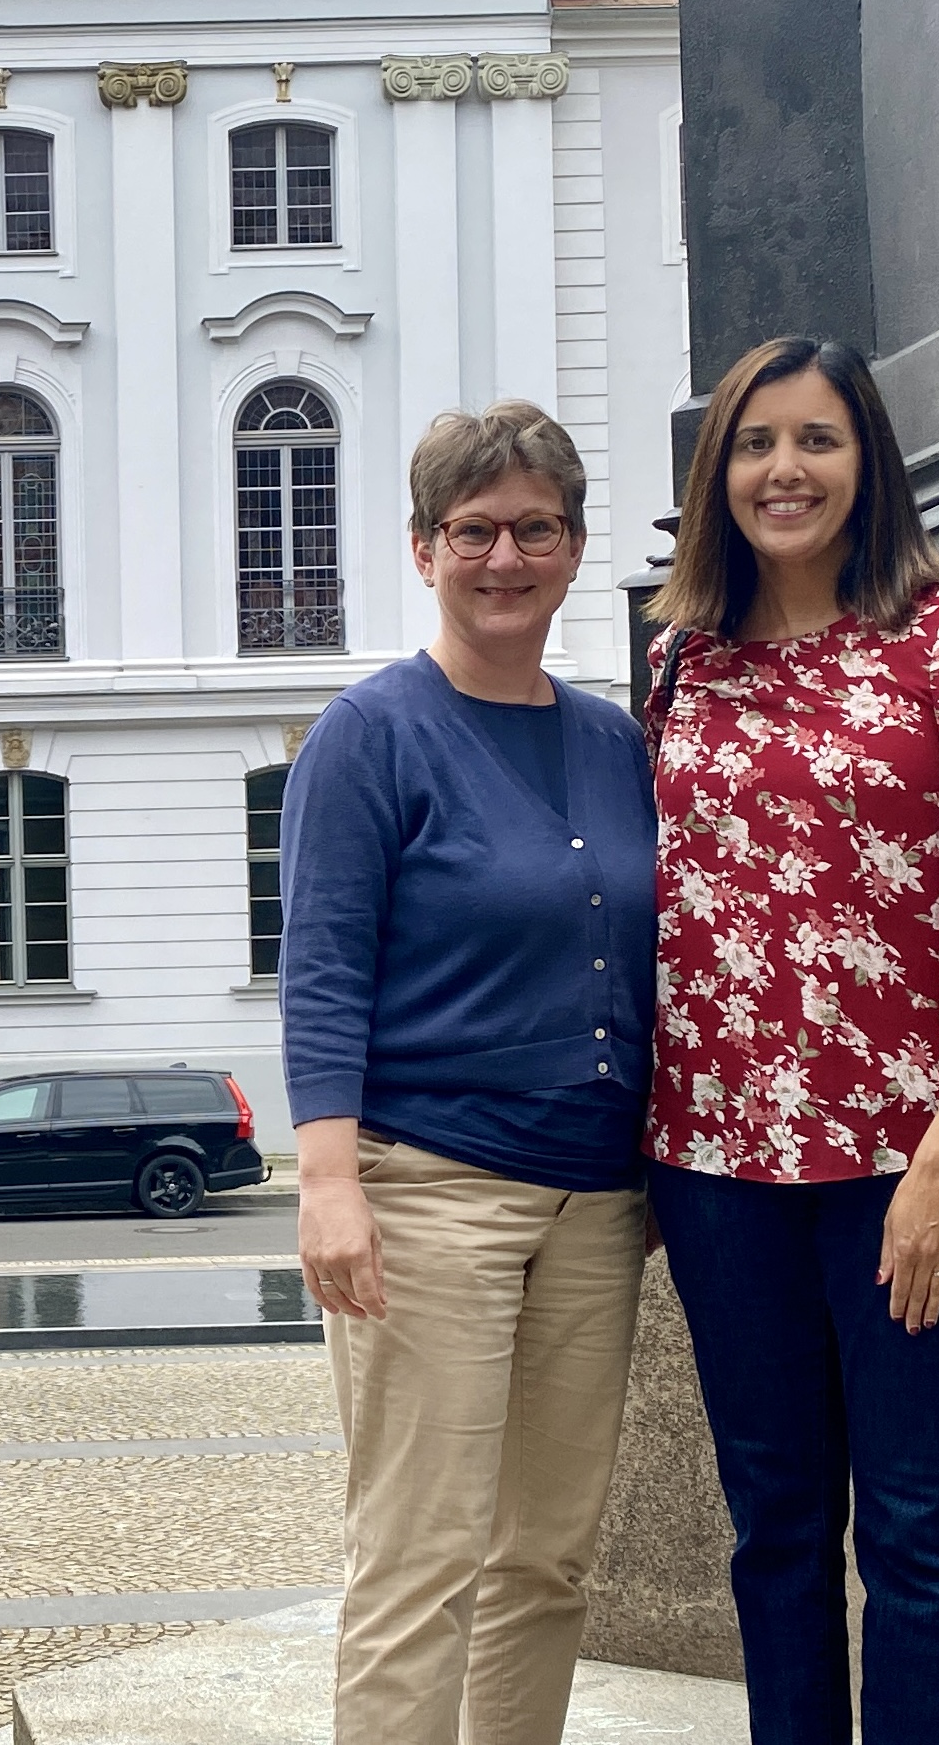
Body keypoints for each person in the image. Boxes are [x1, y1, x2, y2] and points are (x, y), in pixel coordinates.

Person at [640, 337, 939, 1745]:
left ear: (867, 459)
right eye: (756, 442)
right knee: (773, 1528)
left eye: (817, 438)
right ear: (720, 476)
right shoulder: (682, 660)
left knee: (916, 1525)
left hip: (922, 1152)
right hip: (719, 1162)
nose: (786, 469)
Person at [283, 403, 657, 1745]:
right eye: (475, 529)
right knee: (420, 1557)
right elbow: (321, 964)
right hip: (429, 1189)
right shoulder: (371, 734)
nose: (507, 554)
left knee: (546, 1556)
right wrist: (328, 1179)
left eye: (536, 527)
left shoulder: (617, 742)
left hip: (594, 1202)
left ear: (569, 546)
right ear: (425, 548)